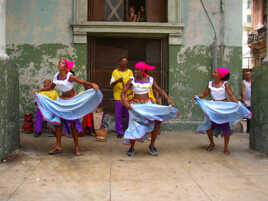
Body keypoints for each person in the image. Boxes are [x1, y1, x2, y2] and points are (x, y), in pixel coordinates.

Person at [34, 58, 101, 156]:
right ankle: (58, 146)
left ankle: (77, 147)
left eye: (62, 63)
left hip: (72, 101)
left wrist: (92, 84)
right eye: (59, 62)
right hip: (62, 101)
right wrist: (40, 90)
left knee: (73, 124)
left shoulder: (70, 76)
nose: (59, 63)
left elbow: (82, 82)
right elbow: (50, 88)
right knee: (58, 123)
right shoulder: (56, 76)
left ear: (66, 67)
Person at [121, 61, 178, 157]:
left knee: (156, 122)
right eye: (134, 69)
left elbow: (160, 90)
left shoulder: (150, 80)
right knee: (133, 126)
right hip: (135, 107)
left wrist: (168, 100)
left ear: (143, 71)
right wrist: (125, 102)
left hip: (148, 105)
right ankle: (131, 147)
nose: (135, 72)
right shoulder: (131, 80)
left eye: (137, 70)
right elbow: (123, 92)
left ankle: (152, 145)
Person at [193, 68, 251, 155]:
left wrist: (238, 104)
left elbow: (231, 95)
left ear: (221, 75)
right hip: (213, 107)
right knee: (209, 126)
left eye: (216, 72)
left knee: (225, 127)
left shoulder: (225, 84)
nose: (213, 73)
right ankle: (211, 143)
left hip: (223, 108)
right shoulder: (210, 84)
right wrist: (197, 96)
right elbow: (204, 94)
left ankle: (226, 147)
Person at [110, 57, 133, 138]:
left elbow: (132, 83)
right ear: (119, 62)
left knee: (128, 114)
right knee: (118, 114)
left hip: (128, 96)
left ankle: (128, 130)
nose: (125, 63)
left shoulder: (130, 72)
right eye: (123, 62)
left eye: (126, 62)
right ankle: (119, 131)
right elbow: (111, 85)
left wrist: (127, 86)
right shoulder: (115, 72)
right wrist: (117, 81)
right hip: (118, 96)